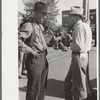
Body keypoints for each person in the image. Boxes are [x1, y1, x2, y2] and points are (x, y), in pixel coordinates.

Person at [18, 1, 49, 100]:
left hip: (43, 60)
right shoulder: (29, 25)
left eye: (45, 14)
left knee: (41, 89)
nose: (44, 16)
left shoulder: (40, 26)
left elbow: (41, 43)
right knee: (34, 89)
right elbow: (17, 40)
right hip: (35, 60)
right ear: (35, 13)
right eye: (42, 14)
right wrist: (30, 50)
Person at [64, 6, 93, 100]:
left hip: (78, 57)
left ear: (77, 17)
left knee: (79, 86)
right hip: (84, 56)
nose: (69, 18)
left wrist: (68, 46)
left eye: (71, 16)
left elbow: (79, 46)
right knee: (69, 82)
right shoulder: (86, 26)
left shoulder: (79, 27)